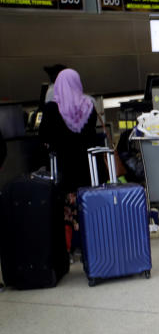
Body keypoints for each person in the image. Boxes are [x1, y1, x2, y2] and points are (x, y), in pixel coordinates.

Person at [39, 68, 102, 254]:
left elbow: (44, 136)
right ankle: (91, 242)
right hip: (87, 168)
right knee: (87, 205)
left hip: (64, 168)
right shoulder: (89, 107)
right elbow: (92, 135)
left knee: (65, 207)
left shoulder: (51, 108)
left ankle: (68, 246)